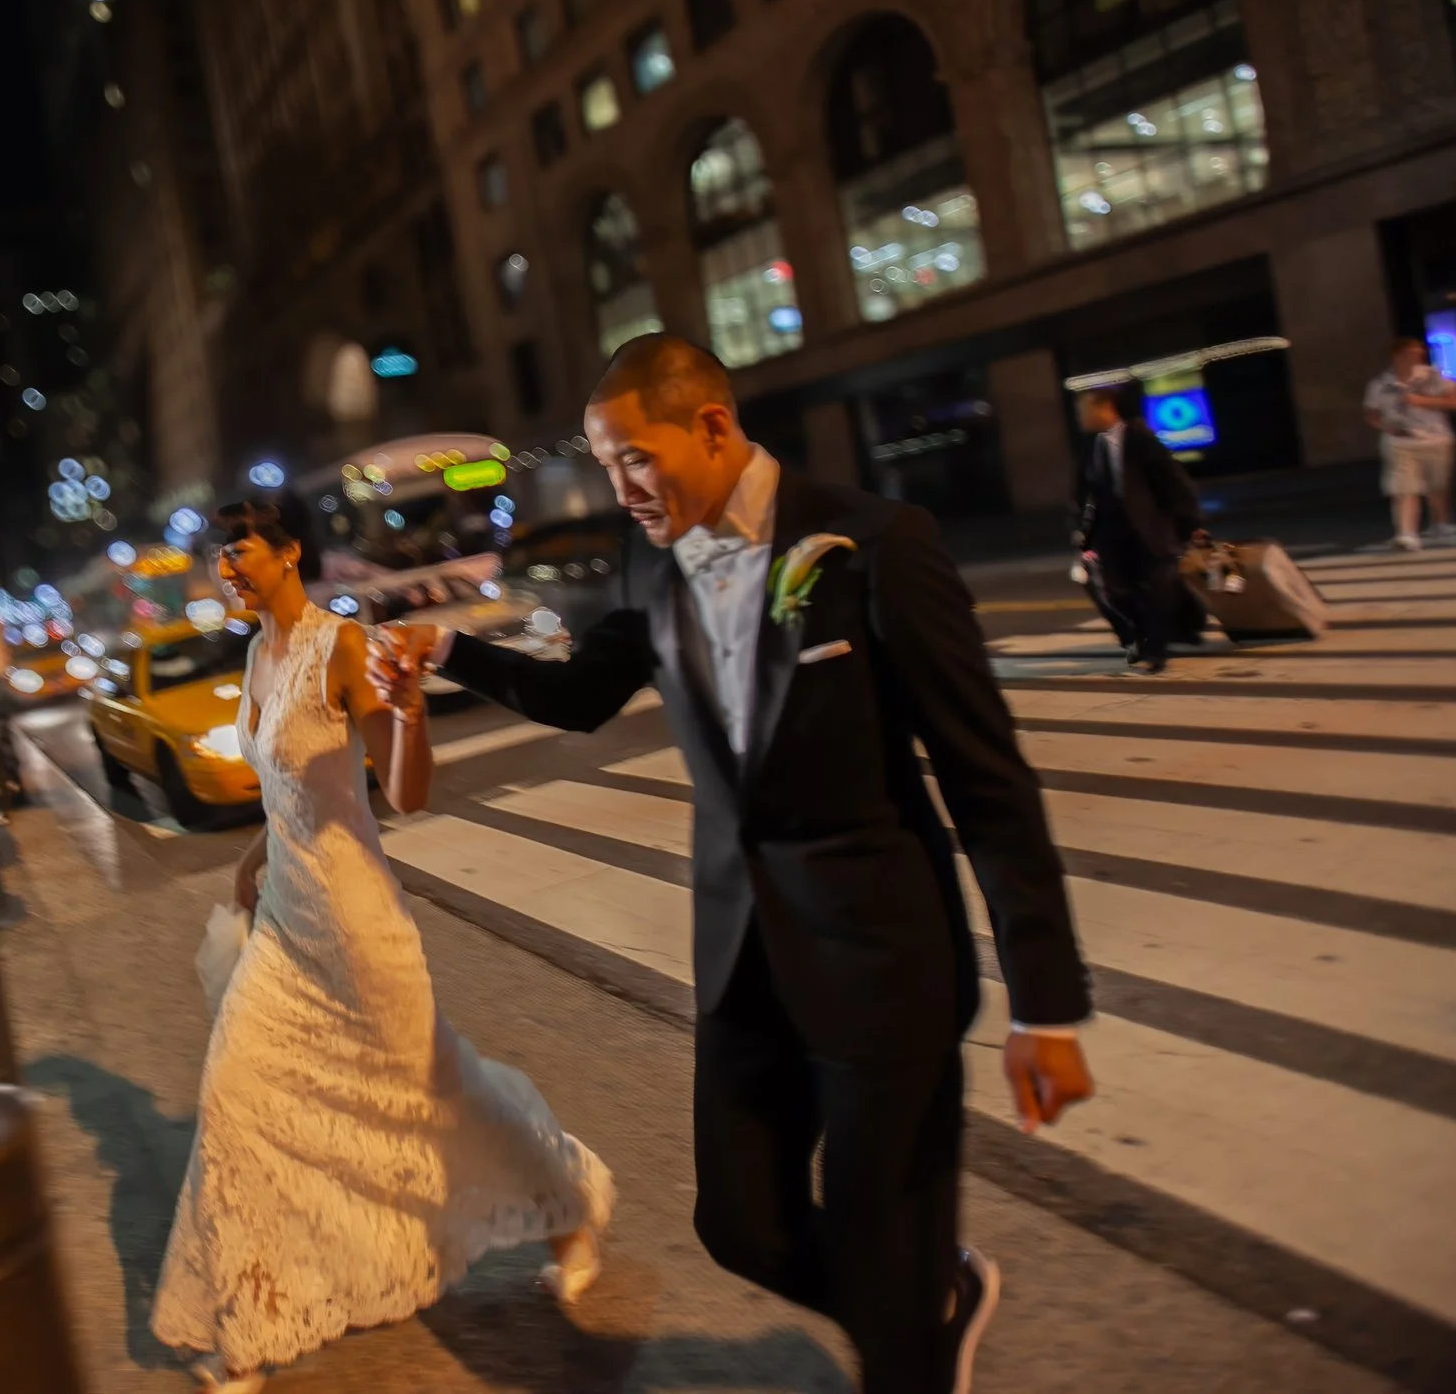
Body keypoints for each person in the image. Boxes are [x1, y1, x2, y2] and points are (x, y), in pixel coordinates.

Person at [374, 335, 1093, 1394]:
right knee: (740, 1223)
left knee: (878, 1244)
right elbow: (581, 695)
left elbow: (988, 777)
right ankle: (926, 1299)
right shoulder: (652, 558)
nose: (620, 488)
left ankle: (907, 1330)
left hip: (880, 963)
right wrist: (449, 652)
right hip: (745, 962)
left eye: (634, 458)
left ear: (712, 425)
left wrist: (1046, 1004)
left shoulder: (875, 542)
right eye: (605, 464)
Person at [152, 500, 611, 1394]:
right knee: (235, 1096)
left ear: (288, 551)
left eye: (240, 550)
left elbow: (402, 797)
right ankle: (249, 1335)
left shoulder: (343, 649)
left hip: (359, 928)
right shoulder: (256, 652)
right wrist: (254, 859)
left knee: (438, 1098)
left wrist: (410, 715)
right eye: (218, 558)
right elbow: (291, 789)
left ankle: (568, 1206)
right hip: (287, 923)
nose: (228, 570)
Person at [1073, 382, 1203, 676]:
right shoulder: (1091, 447)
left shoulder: (1140, 439)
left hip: (1150, 529)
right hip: (1110, 533)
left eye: (1085, 409)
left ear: (1105, 408)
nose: (1080, 417)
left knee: (1157, 591)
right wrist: (1081, 530)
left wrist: (1190, 524)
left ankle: (1155, 650)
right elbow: (1083, 494)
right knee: (1112, 591)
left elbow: (1175, 483)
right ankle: (1139, 636)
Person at [1365, 337, 1456, 550]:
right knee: (1404, 488)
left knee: (1437, 487)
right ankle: (1407, 534)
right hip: (1400, 441)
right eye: (1409, 354)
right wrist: (1386, 427)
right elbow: (1371, 414)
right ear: (1396, 356)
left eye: (1418, 354)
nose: (1415, 357)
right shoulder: (1380, 384)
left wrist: (1423, 401)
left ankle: (1441, 524)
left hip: (1435, 438)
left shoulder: (1432, 376)